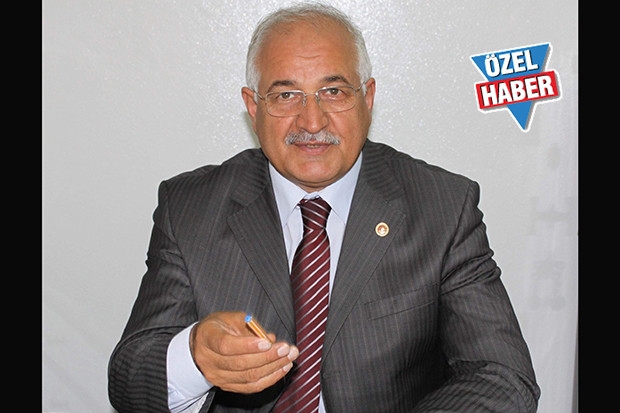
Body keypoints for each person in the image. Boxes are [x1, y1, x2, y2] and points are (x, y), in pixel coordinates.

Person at [108, 3, 540, 412]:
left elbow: (502, 376)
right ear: (253, 107)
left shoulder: (442, 207)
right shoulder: (190, 207)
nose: (312, 122)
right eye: (286, 95)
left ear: (367, 98)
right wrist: (194, 356)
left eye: (333, 91)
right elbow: (130, 379)